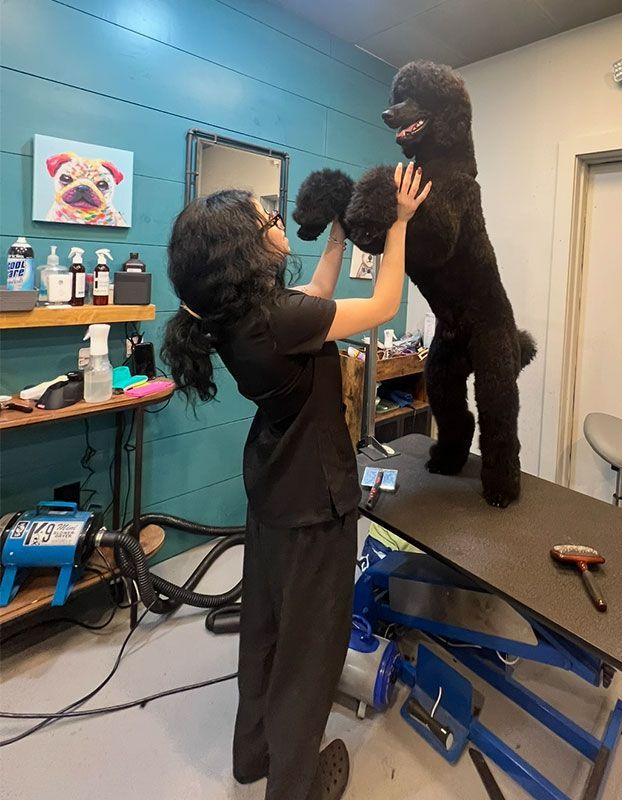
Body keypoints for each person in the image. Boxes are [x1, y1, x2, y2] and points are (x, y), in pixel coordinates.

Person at [161, 163, 431, 800]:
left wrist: (336, 242)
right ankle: (296, 785)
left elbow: (311, 294)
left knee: (264, 627)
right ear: (248, 250)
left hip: (273, 488)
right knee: (310, 652)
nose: (281, 223)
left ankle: (252, 757)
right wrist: (397, 227)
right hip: (313, 499)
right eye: (270, 220)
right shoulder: (277, 317)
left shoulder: (237, 315)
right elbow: (386, 304)